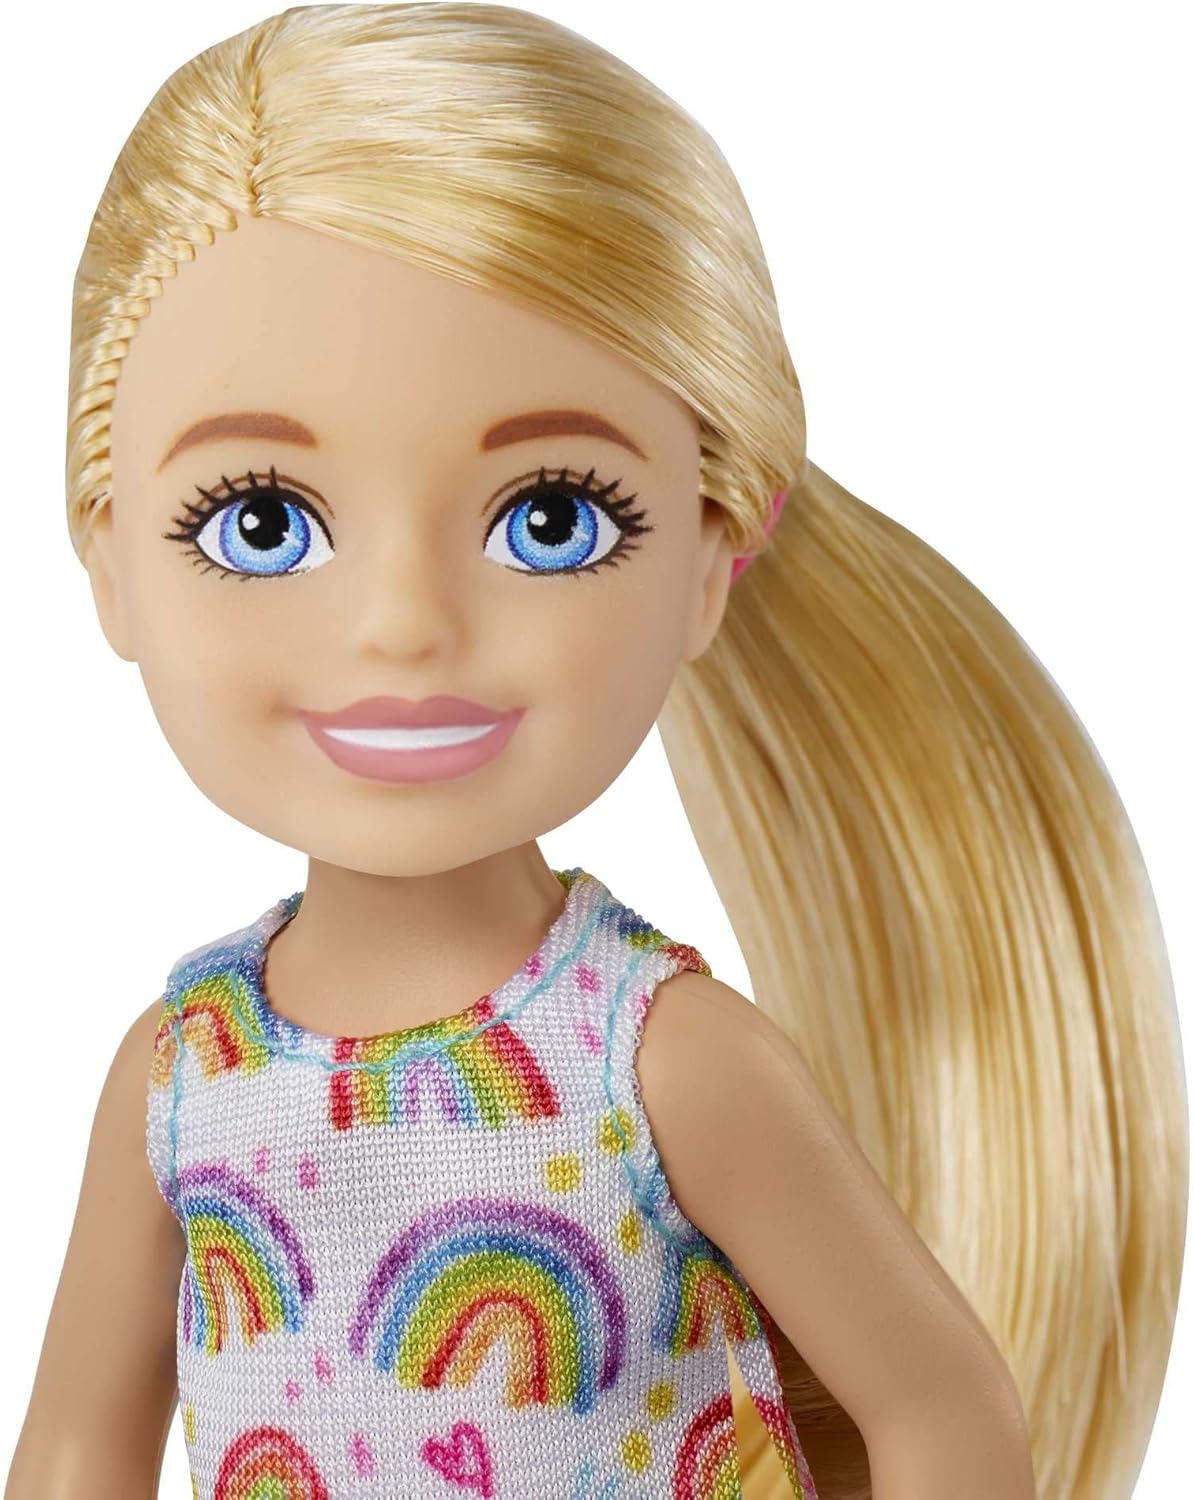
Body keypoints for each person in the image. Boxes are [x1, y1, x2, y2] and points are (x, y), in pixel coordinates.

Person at [7, 5, 1184, 1498]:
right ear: (109, 557)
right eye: (261, 522)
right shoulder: (185, 1075)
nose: (403, 626)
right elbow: (74, 1447)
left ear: (710, 556)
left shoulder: (655, 1059)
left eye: (548, 520)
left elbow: (942, 1408)